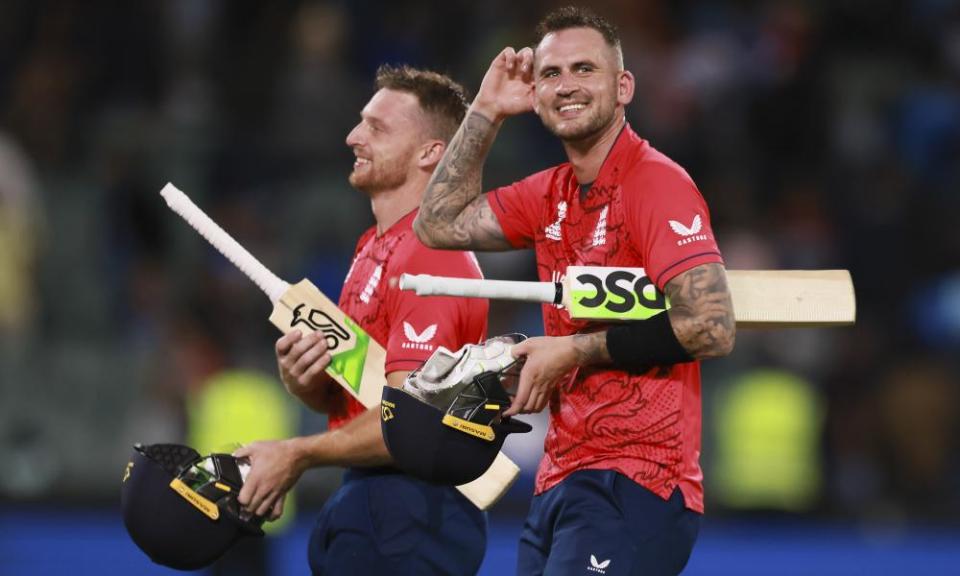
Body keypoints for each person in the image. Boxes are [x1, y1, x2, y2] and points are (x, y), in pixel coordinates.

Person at [413, 7, 736, 576]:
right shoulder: (549, 193)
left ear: (623, 86)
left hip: (637, 481)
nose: (566, 86)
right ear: (535, 96)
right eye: (551, 74)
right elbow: (437, 224)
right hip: (562, 478)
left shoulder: (656, 183)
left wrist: (573, 350)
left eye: (584, 69)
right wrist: (485, 111)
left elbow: (710, 325)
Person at [234, 65, 490, 575]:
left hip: (411, 514)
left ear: (429, 152)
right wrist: (308, 382)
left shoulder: (431, 258)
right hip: (369, 502)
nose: (353, 137)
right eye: (360, 122)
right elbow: (360, 400)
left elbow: (412, 424)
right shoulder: (372, 248)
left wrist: (296, 454)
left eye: (377, 127)